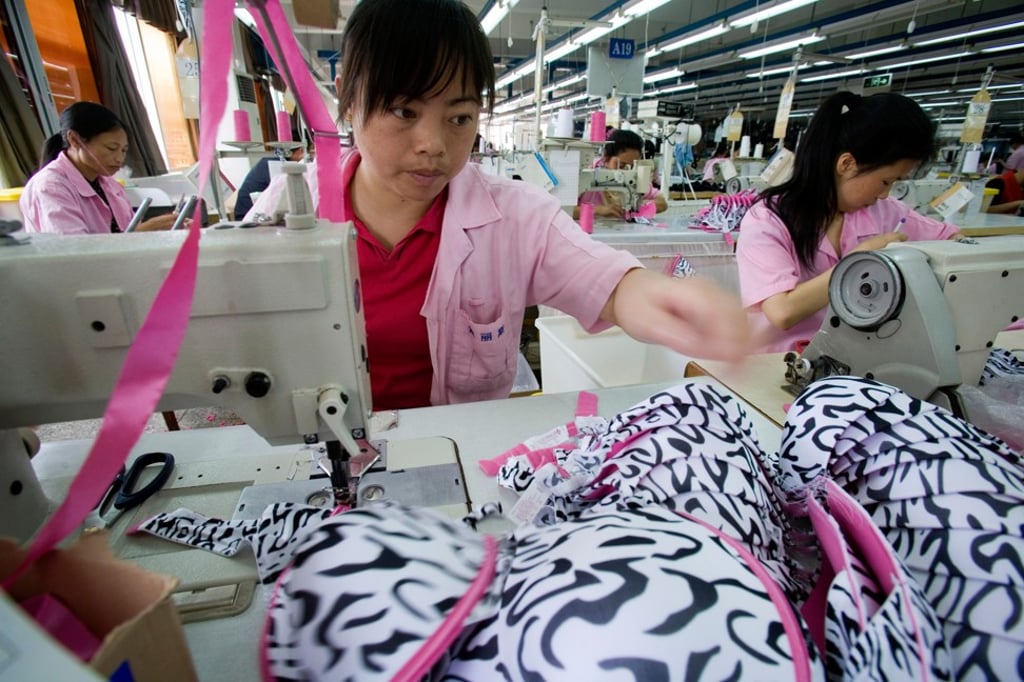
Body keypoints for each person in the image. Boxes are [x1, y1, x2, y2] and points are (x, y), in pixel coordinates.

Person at [246, 0, 748, 410]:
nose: (433, 144)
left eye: (459, 118)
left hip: (456, 450)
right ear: (348, 101)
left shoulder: (515, 218)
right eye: (404, 110)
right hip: (315, 447)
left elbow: (608, 283)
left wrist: (657, 298)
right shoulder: (288, 208)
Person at [736, 91, 961, 353]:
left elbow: (954, 240)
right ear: (846, 164)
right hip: (775, 364)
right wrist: (858, 261)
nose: (885, 193)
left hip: (855, 359)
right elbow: (782, 312)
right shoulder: (769, 219)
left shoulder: (886, 214)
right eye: (885, 181)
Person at [20, 102, 180, 234]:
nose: (119, 159)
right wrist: (143, 232)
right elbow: (74, 253)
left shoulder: (107, 183)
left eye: (123, 150)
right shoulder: (51, 186)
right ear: (75, 140)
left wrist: (160, 227)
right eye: (111, 148)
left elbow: (126, 231)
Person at [576, 129, 668, 220]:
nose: (626, 171)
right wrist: (598, 210)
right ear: (606, 157)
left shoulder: (634, 177)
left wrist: (642, 204)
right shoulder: (586, 175)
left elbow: (662, 203)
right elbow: (564, 210)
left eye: (631, 166)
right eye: (621, 165)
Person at [232, 143, 308, 220]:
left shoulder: (271, 159)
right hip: (247, 220)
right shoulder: (275, 165)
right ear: (301, 151)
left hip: (251, 215)